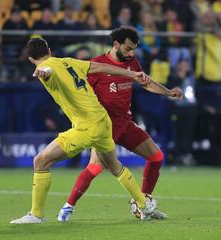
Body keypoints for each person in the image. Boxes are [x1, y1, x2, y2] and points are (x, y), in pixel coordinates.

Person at [10, 37, 158, 224]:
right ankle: (144, 204)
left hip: (87, 127)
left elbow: (47, 70)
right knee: (115, 167)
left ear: (31, 59)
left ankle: (36, 215)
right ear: (49, 49)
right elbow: (103, 67)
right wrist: (132, 74)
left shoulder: (48, 67)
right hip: (103, 121)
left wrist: (42, 71)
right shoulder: (69, 62)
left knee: (40, 161)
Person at [57, 27, 182, 222]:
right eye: (128, 49)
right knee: (95, 167)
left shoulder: (131, 62)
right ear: (116, 44)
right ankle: (67, 207)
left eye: (134, 50)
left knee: (156, 157)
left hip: (125, 122)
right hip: (104, 125)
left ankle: (144, 204)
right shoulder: (97, 65)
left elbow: (145, 82)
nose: (131, 53)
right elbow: (81, 93)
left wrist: (168, 92)